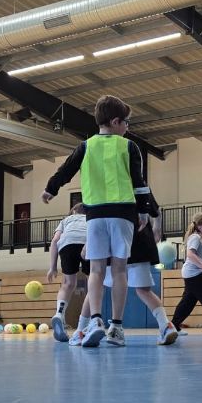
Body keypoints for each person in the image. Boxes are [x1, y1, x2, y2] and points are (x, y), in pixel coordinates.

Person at [41, 95, 151, 347]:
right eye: (126, 122)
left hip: (95, 215)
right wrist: (144, 210)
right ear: (115, 121)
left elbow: (66, 170)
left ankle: (96, 320)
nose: (127, 127)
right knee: (119, 269)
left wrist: (50, 189)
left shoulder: (85, 146)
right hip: (123, 213)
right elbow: (139, 182)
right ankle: (117, 328)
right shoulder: (129, 146)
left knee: (97, 269)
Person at [102, 196, 178, 345]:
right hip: (140, 240)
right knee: (144, 290)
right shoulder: (141, 187)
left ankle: (86, 328)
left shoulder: (110, 187)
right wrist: (157, 228)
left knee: (100, 285)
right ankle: (165, 325)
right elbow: (156, 209)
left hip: (117, 239)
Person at [45, 202, 88, 343]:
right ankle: (86, 324)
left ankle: (59, 313)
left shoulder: (66, 220)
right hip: (87, 242)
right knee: (94, 283)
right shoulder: (89, 217)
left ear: (74, 211)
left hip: (67, 243)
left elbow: (54, 241)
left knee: (68, 284)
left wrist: (52, 267)